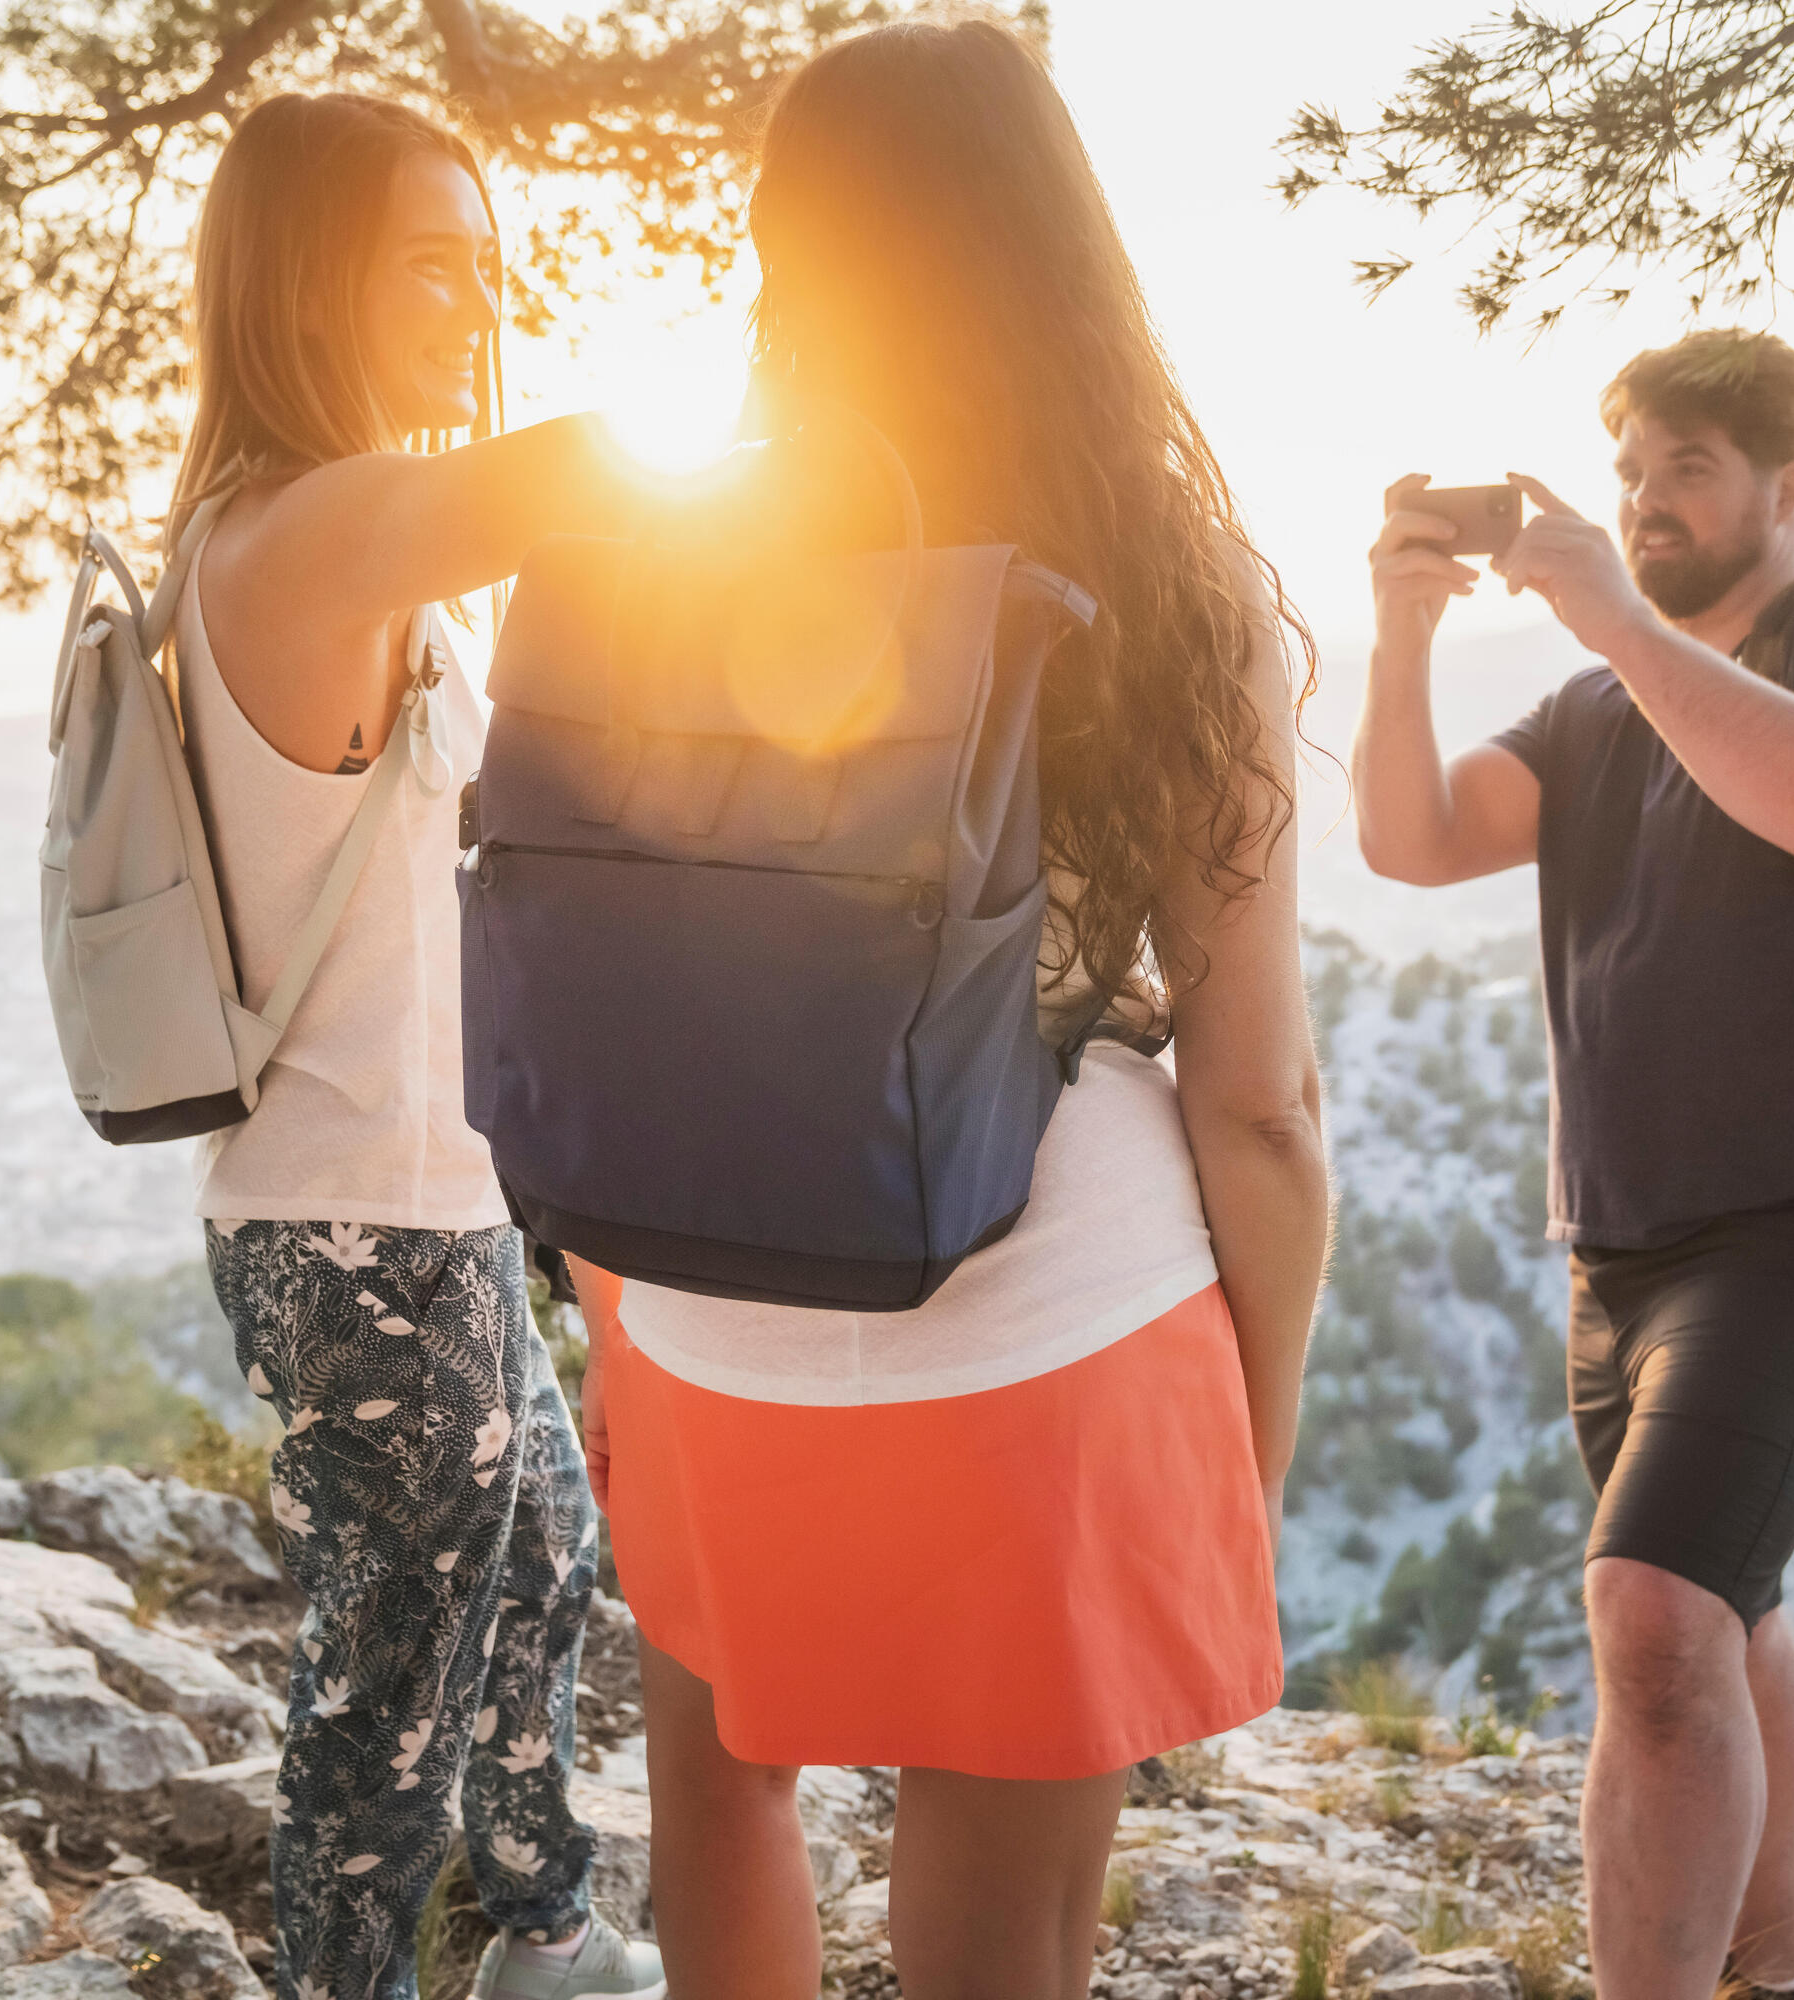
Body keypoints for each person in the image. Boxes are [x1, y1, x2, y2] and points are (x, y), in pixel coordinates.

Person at [556, 19, 1330, 2000]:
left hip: (701, 1305)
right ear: (1054, 228)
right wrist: (1257, 1415)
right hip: (1041, 1321)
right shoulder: (1167, 572)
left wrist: (629, 1315)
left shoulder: (668, 542)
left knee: (720, 1793)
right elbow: (1262, 1101)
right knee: (1006, 1927)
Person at [1352, 329, 1794, 2000]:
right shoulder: (1593, 705)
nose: (1643, 502)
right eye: (1630, 470)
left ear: (1789, 486)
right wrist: (1404, 625)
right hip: (1617, 1244)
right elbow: (1411, 841)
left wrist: (1617, 626)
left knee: (1647, 1615)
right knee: (1724, 1602)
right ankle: (1769, 1960)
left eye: (1685, 470)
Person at [169, 91, 666, 2000]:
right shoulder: (311, 528)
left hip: (429, 1201)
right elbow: (585, 471)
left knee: (536, 1562)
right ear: (314, 283)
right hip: (349, 1227)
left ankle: (537, 1931)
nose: (479, 300)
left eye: (488, 257)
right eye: (433, 262)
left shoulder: (358, 540)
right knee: (389, 1671)